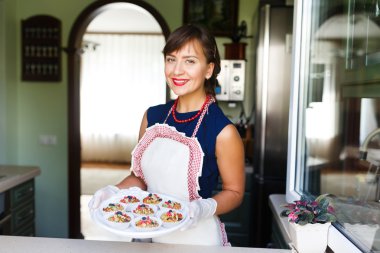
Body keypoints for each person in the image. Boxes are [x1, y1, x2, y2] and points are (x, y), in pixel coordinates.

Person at [88, 23, 245, 246]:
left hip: (197, 240)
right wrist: (114, 191)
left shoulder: (223, 131)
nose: (177, 70)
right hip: (147, 233)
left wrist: (201, 208)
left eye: (190, 61)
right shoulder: (152, 117)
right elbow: (140, 178)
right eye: (171, 59)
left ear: (209, 69)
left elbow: (235, 192)